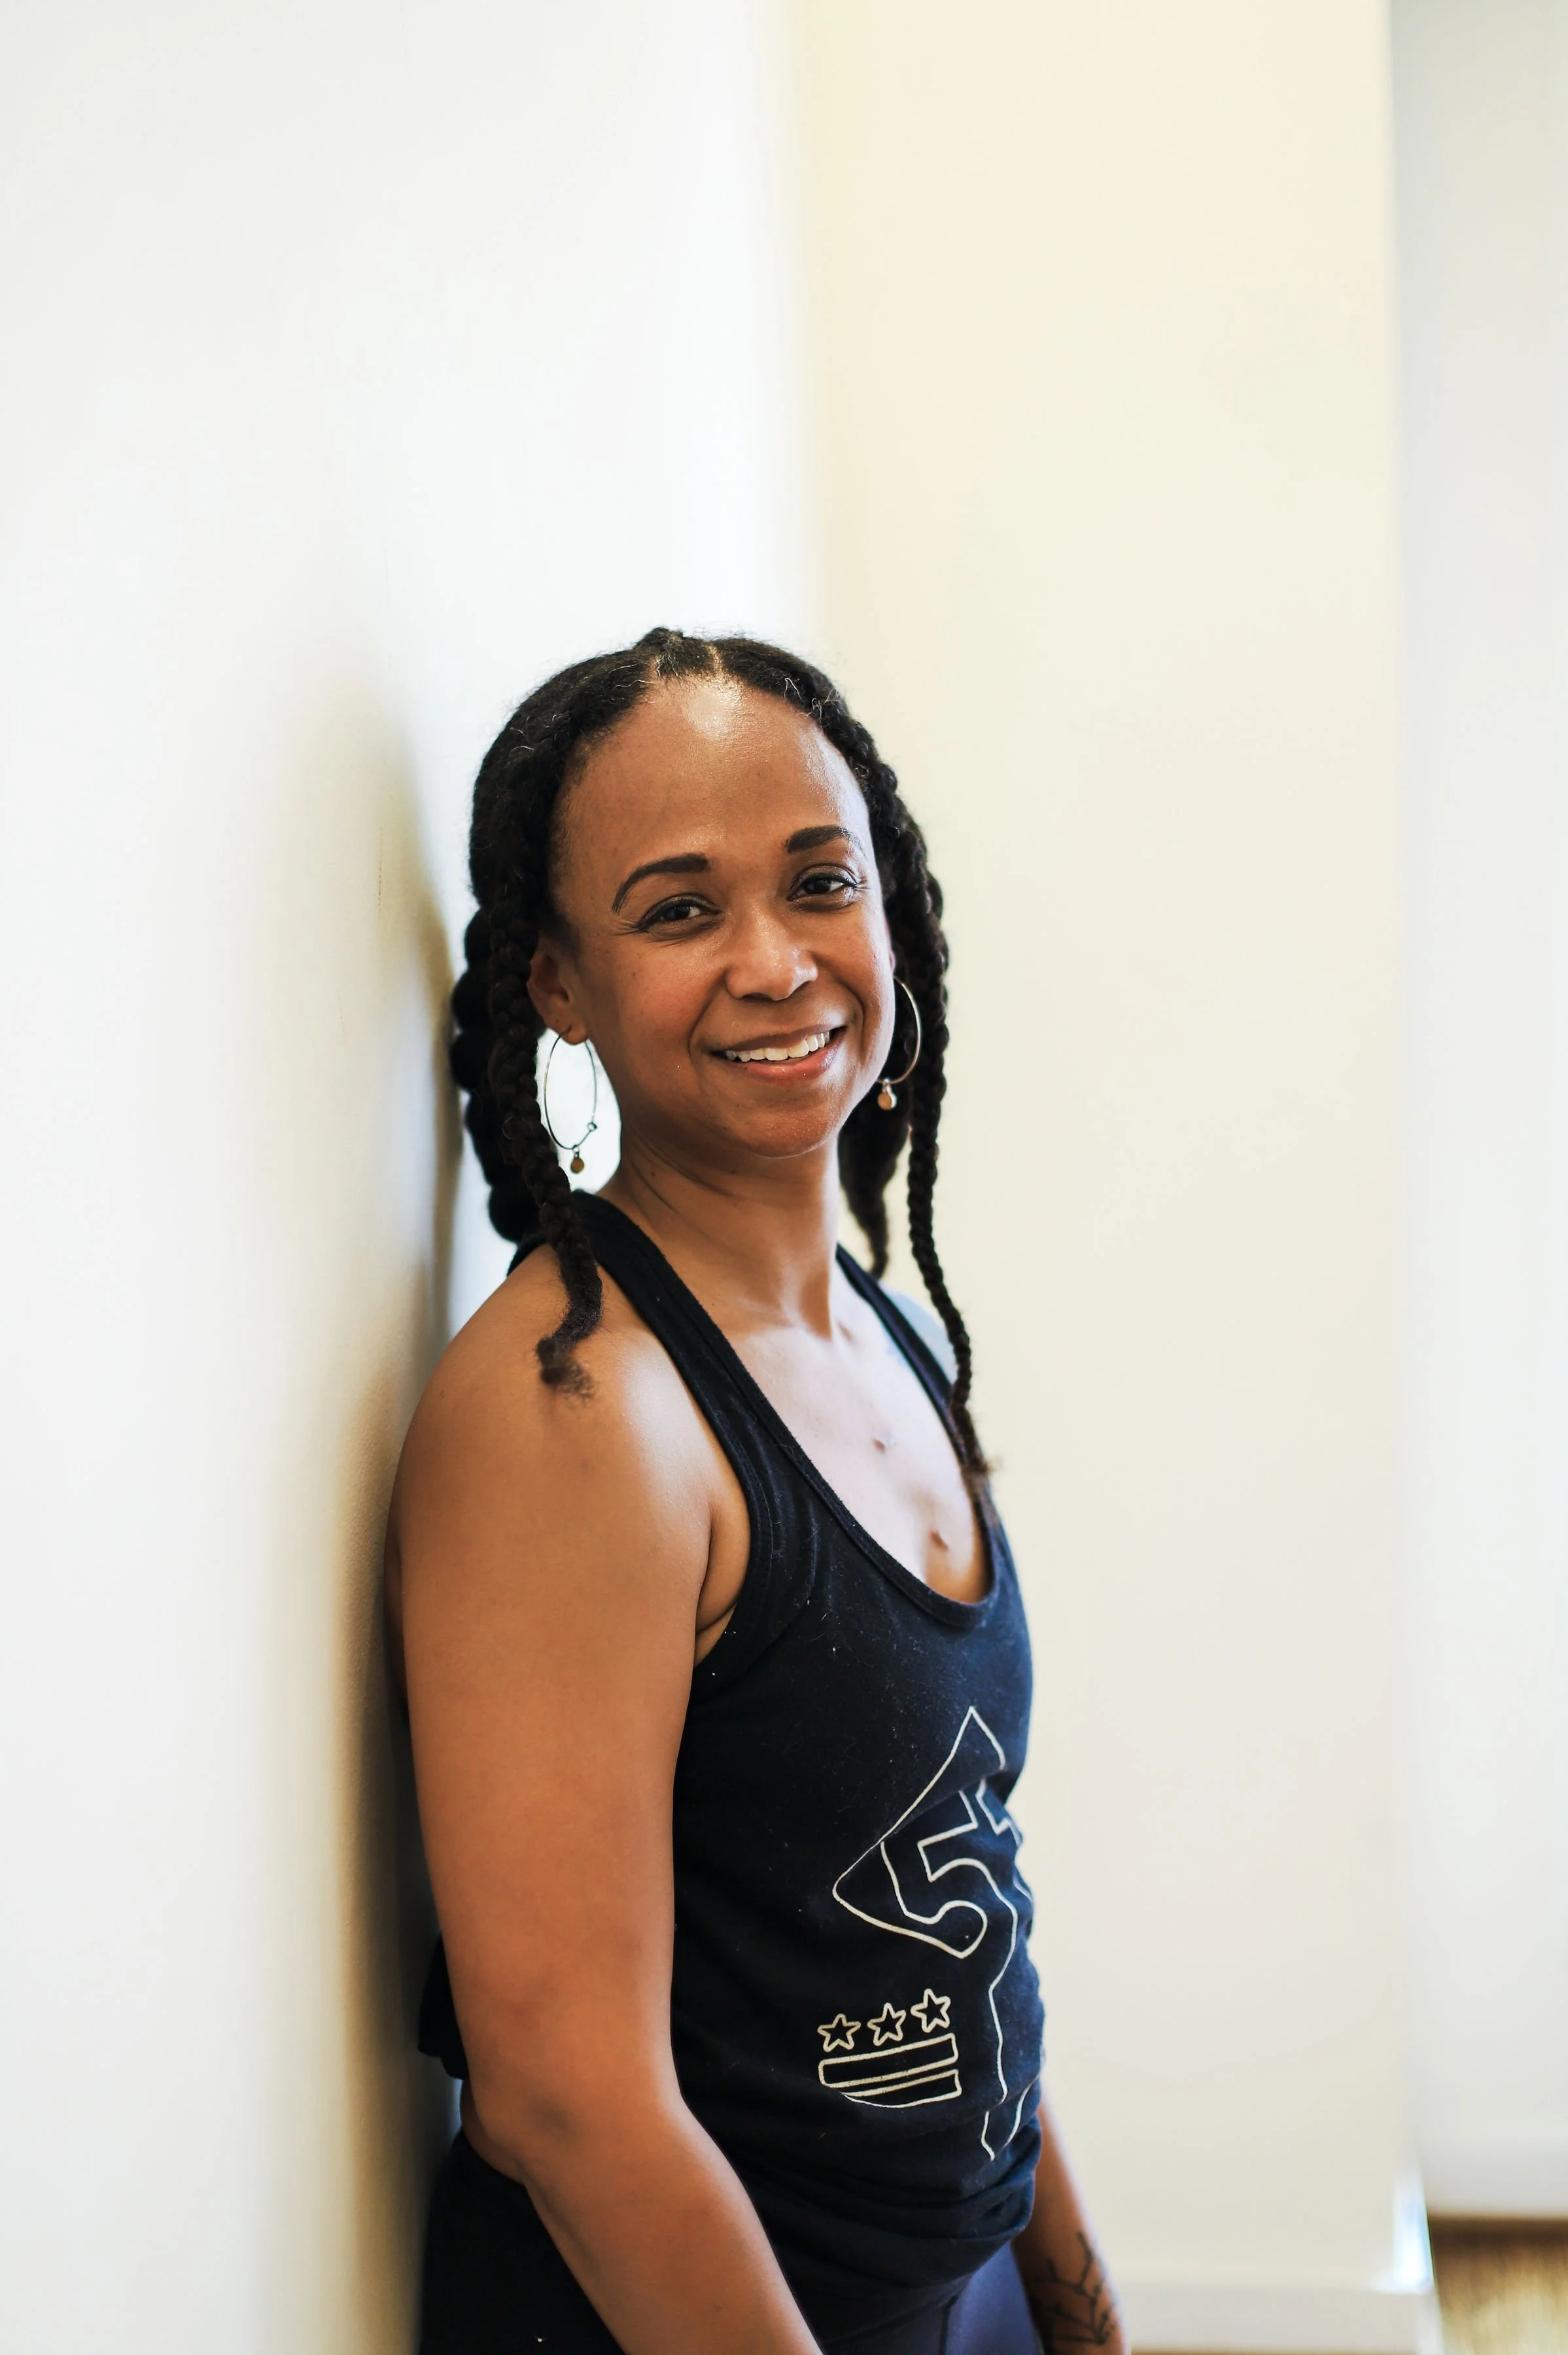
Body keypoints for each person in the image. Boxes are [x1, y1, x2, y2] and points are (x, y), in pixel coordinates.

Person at [385, 630, 1126, 2355]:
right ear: (555, 981)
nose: (777, 962)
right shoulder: (573, 1418)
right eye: (677, 909)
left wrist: (1074, 2303)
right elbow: (571, 2106)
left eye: (818, 882)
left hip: (954, 2287)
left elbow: (964, 1881)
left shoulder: (871, 1327)